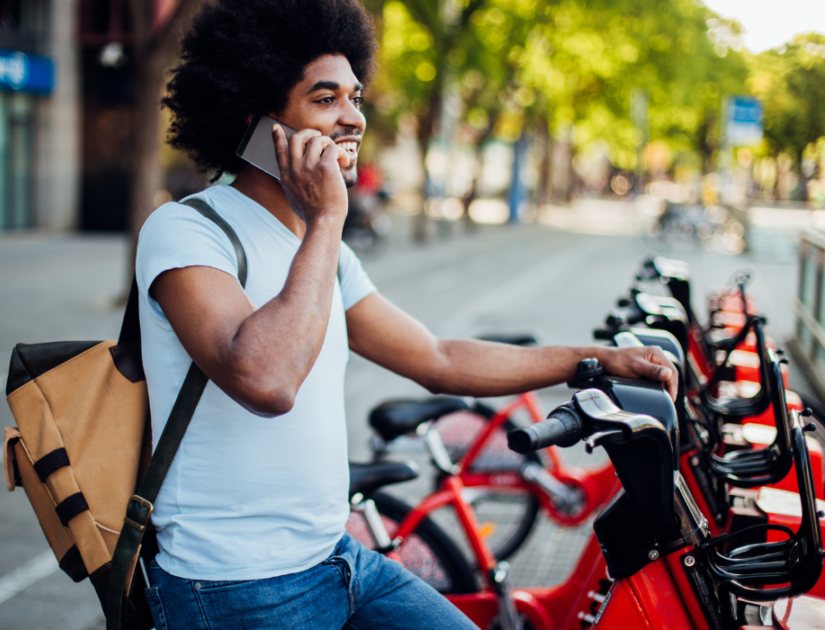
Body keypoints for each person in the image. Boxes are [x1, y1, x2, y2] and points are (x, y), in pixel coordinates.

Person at [136, 1, 678, 628]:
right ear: (258, 121)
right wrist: (329, 218)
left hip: (336, 558)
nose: (354, 117)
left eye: (355, 96)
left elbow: (438, 359)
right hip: (232, 588)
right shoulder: (188, 230)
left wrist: (593, 362)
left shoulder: (321, 251)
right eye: (325, 99)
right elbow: (266, 378)